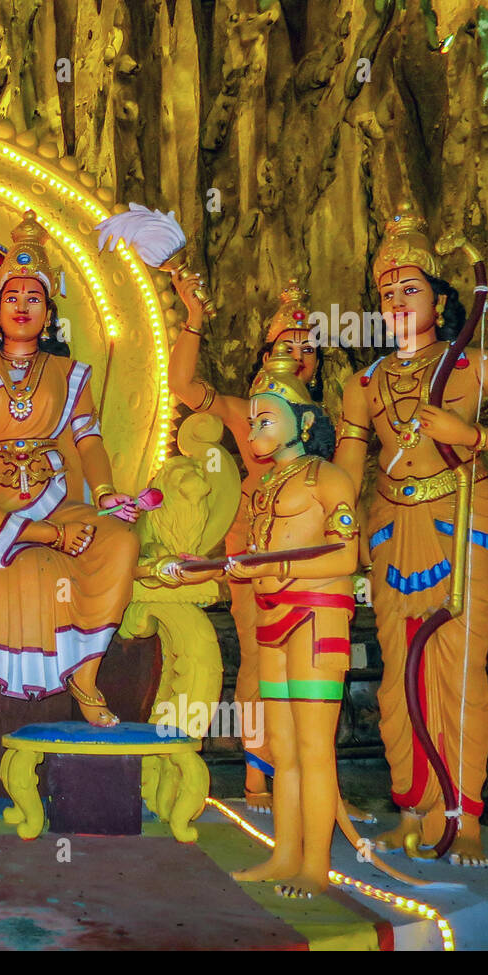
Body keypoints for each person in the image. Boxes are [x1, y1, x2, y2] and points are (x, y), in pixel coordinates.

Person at [335, 206, 488, 866]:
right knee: (400, 674)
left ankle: (464, 813)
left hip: (460, 524)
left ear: (442, 297)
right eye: (387, 293)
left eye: (411, 289)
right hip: (390, 528)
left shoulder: (480, 365)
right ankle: (412, 805)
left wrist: (471, 436)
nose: (398, 303)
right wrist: (336, 524)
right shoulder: (364, 383)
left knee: (457, 669)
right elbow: (347, 475)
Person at [0, 210, 142, 727]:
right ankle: (37, 536)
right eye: (11, 297)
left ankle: (85, 674)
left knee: (122, 540)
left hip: (57, 497)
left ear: (48, 313)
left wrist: (105, 493)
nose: (21, 306)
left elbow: (89, 441)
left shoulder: (69, 374)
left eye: (33, 298)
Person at [166, 276, 323, 811]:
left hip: (310, 556)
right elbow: (181, 384)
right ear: (265, 356)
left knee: (313, 666)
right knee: (260, 658)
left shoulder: (321, 424)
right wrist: (193, 318)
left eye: (308, 349)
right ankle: (259, 777)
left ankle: (309, 777)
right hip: (254, 546)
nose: (299, 358)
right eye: (287, 347)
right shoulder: (241, 412)